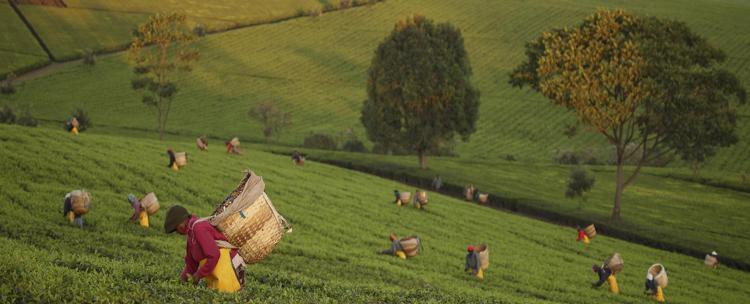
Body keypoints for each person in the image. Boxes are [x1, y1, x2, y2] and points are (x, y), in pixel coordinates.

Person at [164, 205, 244, 293]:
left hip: (228, 267)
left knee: (230, 296)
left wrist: (198, 275)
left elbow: (214, 255)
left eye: (176, 229)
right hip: (218, 271)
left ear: (182, 223)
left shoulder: (199, 228)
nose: (177, 232)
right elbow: (191, 264)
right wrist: (182, 280)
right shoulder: (191, 235)